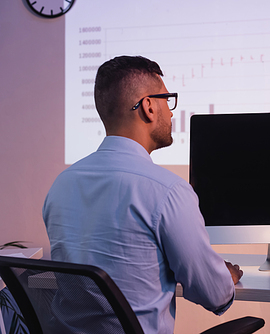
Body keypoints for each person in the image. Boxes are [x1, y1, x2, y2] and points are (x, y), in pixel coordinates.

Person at [43, 55, 243, 333]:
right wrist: (225, 277)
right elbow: (215, 295)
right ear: (148, 107)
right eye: (167, 100)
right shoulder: (168, 191)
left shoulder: (61, 185)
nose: (172, 112)